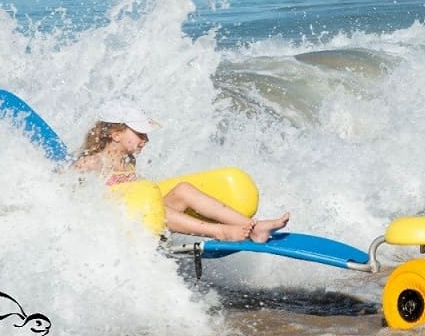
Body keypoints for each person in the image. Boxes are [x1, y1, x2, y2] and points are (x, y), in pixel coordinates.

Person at [74, 101, 289, 242]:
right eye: (140, 133)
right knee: (156, 207)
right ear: (116, 134)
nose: (145, 139)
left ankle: (252, 226)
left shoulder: (128, 161)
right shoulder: (93, 163)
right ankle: (219, 231)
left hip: (145, 221)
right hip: (121, 230)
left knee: (183, 190)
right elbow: (63, 191)